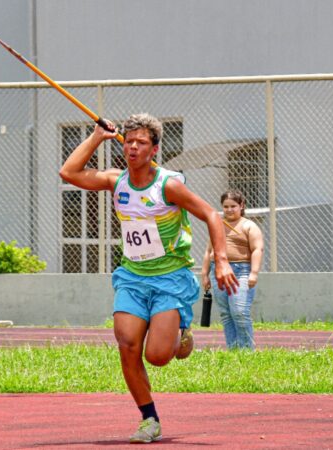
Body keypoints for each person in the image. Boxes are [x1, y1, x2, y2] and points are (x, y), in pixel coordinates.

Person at [59, 113, 239, 444]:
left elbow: (211, 215)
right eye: (128, 141)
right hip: (132, 277)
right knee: (127, 344)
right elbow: (69, 173)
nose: (133, 147)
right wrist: (97, 137)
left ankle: (181, 331)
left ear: (154, 149)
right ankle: (149, 418)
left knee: (157, 356)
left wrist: (222, 262)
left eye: (141, 142)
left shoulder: (168, 186)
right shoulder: (116, 181)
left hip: (170, 278)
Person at [201, 189, 264, 350]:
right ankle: (233, 349)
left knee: (240, 311)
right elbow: (209, 251)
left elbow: (258, 249)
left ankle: (246, 351)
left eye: (233, 206)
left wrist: (254, 273)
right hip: (218, 271)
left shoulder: (249, 225)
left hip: (241, 271)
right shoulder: (218, 225)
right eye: (226, 206)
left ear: (241, 206)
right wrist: (205, 274)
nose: (229, 209)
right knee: (226, 313)